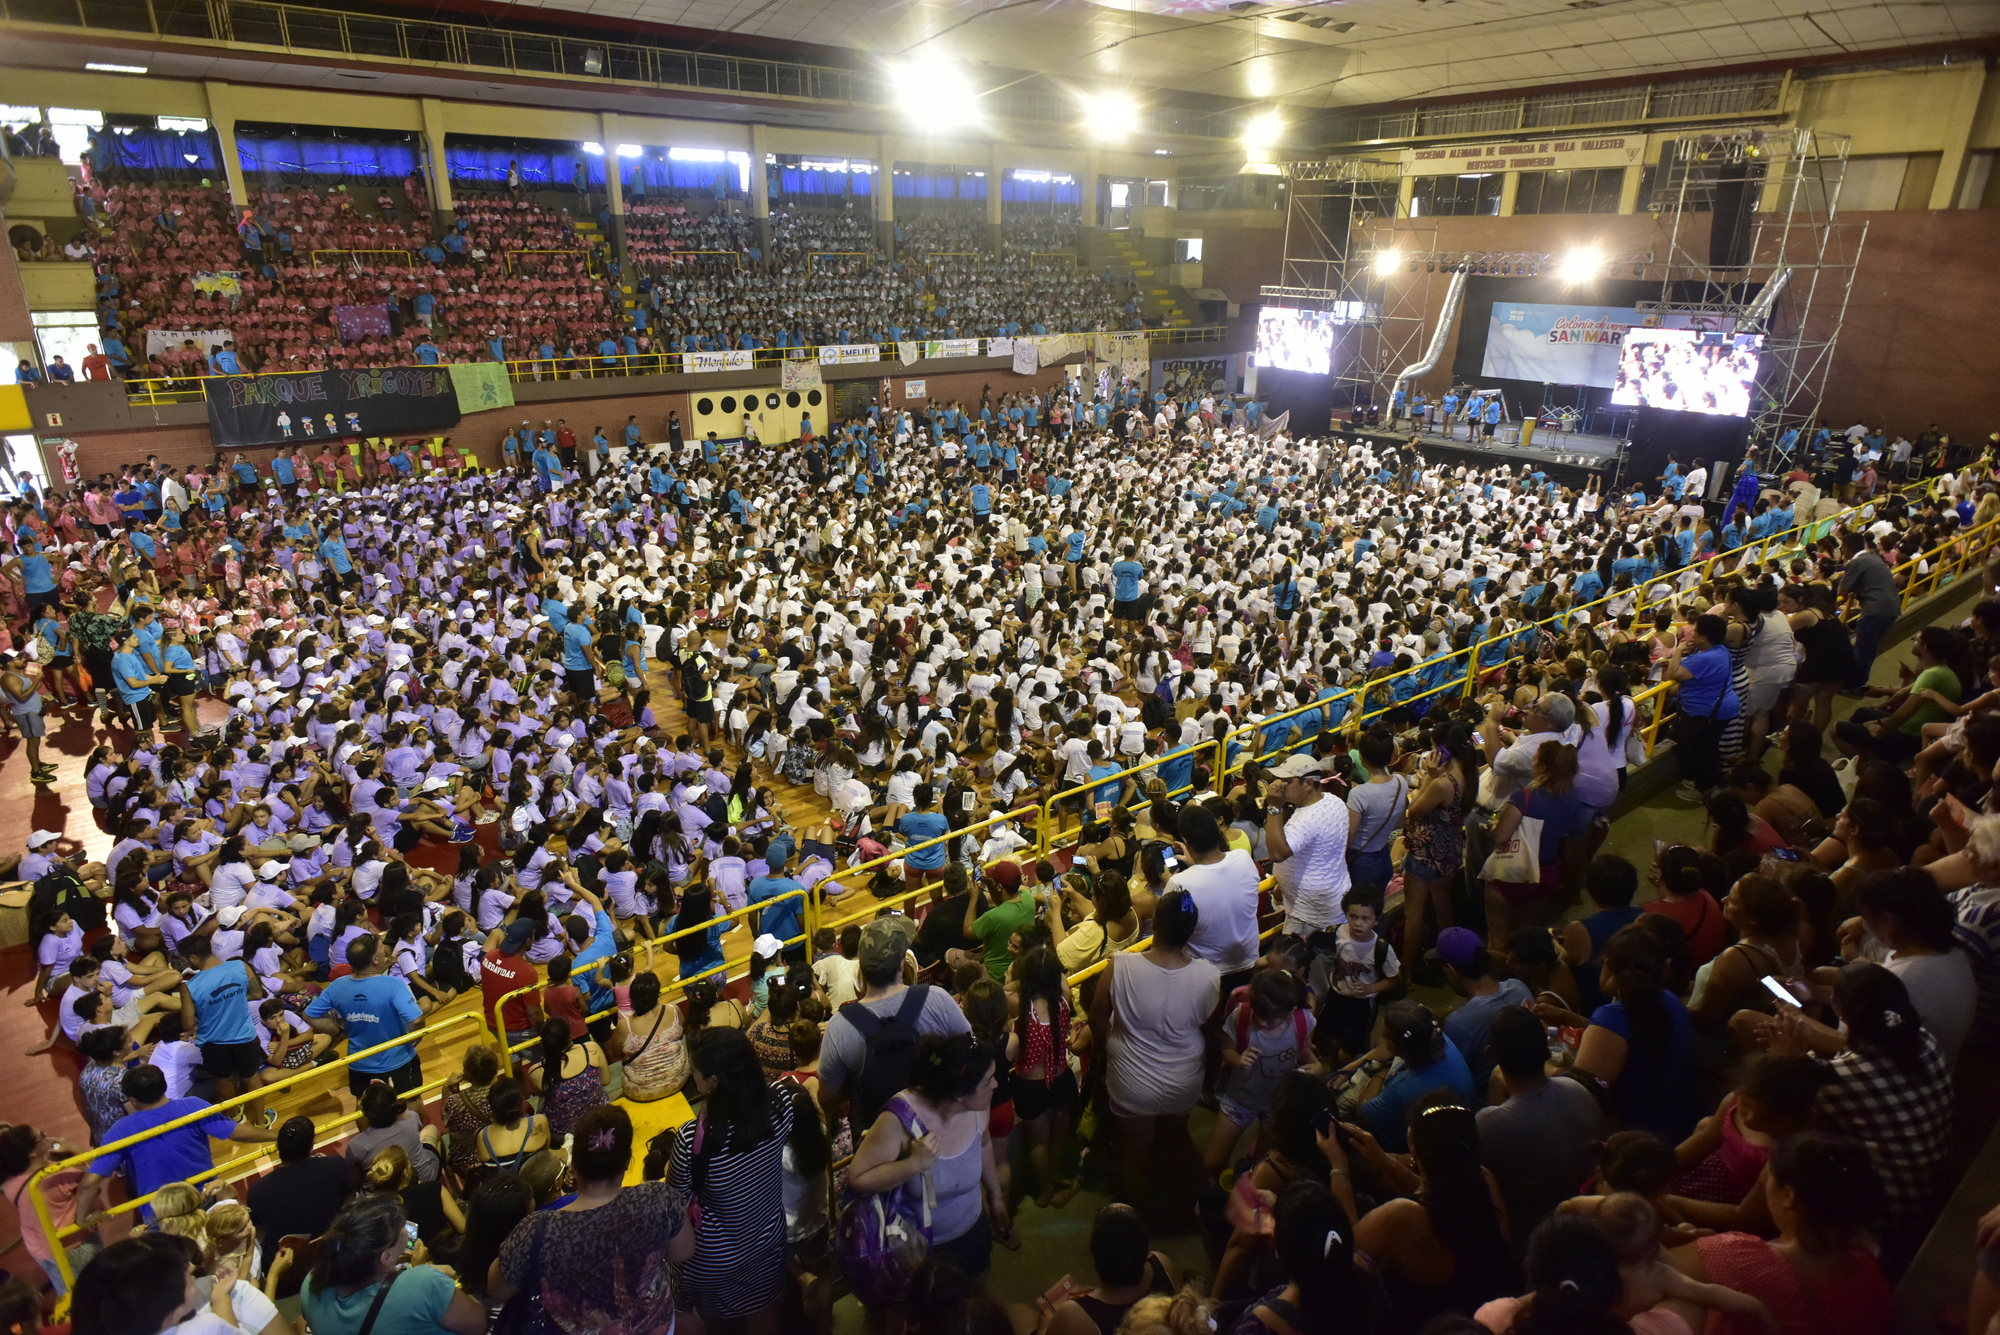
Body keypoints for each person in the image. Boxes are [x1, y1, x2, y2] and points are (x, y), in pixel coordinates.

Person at [1664, 1132, 1895, 1335]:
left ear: (1788, 1196)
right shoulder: (1870, 1272)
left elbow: (1647, 1267)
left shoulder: (1739, 1257)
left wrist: (1671, 1234)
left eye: (1768, 1177)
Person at [490, 1105, 693, 1335]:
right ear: (627, 1161)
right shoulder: (657, 1197)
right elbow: (682, 1251)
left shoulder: (535, 1230)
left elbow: (497, 1289)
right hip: (656, 1326)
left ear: (573, 1165)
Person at [1088, 888, 1220, 1226]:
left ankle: (1140, 1217)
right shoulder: (1209, 976)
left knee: (1135, 1154)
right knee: (1176, 1134)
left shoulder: (1120, 966)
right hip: (1184, 1081)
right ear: (1192, 930)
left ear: (1155, 923)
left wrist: (1108, 1048)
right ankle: (1188, 1202)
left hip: (1132, 1084)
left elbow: (1097, 1017)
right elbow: (1209, 1026)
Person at [846, 1032, 1009, 1294]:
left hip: (973, 1231)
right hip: (924, 1249)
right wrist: (912, 1164)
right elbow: (857, 1178)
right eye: (988, 1080)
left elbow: (985, 1143)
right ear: (958, 1093)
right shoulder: (899, 1118)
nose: (996, 1085)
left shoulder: (979, 1106)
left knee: (976, 1294)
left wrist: (996, 1197)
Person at [1344, 1094, 1512, 1335]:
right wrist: (1382, 1160)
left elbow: (1344, 1257)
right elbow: (1441, 1191)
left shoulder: (1402, 1216)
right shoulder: (1486, 1183)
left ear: (1415, 1151)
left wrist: (1339, 1168)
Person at [668, 1027, 793, 1331]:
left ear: (713, 1082)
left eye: (695, 1071)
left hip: (714, 1261)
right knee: (765, 1313)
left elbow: (674, 1202)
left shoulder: (691, 1140)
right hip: (768, 1244)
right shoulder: (781, 1106)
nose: (691, 1076)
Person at [817, 915, 970, 1131]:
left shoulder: (838, 1026)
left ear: (860, 966)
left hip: (878, 1139)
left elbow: (828, 1096)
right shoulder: (938, 999)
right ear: (901, 965)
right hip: (940, 1126)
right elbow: (969, 1048)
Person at [1564, 925, 1702, 1142]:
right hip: (1681, 1126)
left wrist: (1547, 1068)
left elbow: (1579, 1094)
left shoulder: (1611, 1018)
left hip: (1636, 1138)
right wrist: (1566, 1017)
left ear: (1609, 968)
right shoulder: (1671, 1000)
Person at [1477, 1007, 1607, 1236]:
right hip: (1594, 1220)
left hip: (1541, 1240)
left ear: (1491, 1053)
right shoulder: (1577, 1090)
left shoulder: (1491, 1123)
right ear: (1547, 1052)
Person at [299, 1193, 488, 1335]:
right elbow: (479, 1323)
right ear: (387, 1257)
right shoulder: (423, 1283)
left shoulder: (312, 1283)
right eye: (402, 1231)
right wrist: (419, 1270)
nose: (406, 1230)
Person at [1484, 741, 1592, 945]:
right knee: (1528, 933)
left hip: (1515, 874)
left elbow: (1500, 836)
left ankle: (1502, 971)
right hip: (1548, 872)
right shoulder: (1574, 797)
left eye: (1534, 760)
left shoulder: (1524, 797)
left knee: (1499, 934)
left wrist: (1492, 828)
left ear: (1542, 768)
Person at [306, 935, 427, 1096]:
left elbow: (309, 1015)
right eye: (382, 948)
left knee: (364, 1108)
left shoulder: (337, 986)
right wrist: (415, 1036)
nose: (386, 950)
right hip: (397, 1061)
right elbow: (417, 1019)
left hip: (359, 1063)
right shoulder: (393, 984)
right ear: (376, 960)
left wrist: (339, 1032)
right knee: (410, 1102)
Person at [1352, 1002, 1479, 1153]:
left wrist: (1379, 1074)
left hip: (1423, 1146)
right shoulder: (1437, 1039)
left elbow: (1363, 1115)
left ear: (1398, 1046)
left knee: (1345, 1107)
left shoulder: (1403, 1089)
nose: (1382, 1038)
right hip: (1458, 1121)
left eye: (1386, 1037)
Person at [1041, 1204, 1181, 1335]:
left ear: (1094, 1251)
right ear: (1145, 1249)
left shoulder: (1072, 1316)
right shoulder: (1162, 1264)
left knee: (1020, 1312)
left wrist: (1044, 1323)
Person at [1433, 928, 1534, 1096]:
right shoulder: (1518, 987)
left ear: (1450, 969)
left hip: (1490, 1101)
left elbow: (1447, 1075)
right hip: (1533, 1084)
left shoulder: (1459, 1022)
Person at [1264, 754, 1351, 937]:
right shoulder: (1333, 800)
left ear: (1308, 784)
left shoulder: (1305, 819)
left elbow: (1278, 854)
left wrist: (1274, 807)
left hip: (1309, 912)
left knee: (1300, 961)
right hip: (1331, 895)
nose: (1280, 785)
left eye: (1287, 781)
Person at [246, 1115, 351, 1260]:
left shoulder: (257, 1191)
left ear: (277, 1147)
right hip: (333, 1254)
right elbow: (350, 1199)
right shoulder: (336, 1166)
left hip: (287, 1266)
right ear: (312, 1144)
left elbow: (260, 1229)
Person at [1666, 614, 1740, 798]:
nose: (1692, 636)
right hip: (1720, 708)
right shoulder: (1721, 650)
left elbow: (1673, 673)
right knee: (1709, 748)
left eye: (1696, 632)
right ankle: (1710, 784)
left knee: (1702, 752)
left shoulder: (1704, 658)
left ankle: (1704, 790)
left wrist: (1678, 650)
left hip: (1705, 713)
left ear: (1705, 637)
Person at [619, 971, 690, 1102]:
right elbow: (682, 1032)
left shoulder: (625, 1026)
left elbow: (617, 1051)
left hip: (638, 1091)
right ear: (657, 993)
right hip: (678, 1080)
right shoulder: (673, 1010)